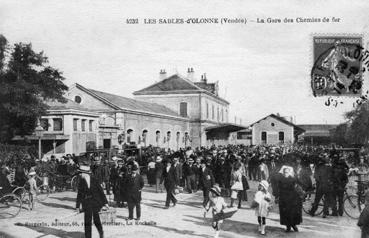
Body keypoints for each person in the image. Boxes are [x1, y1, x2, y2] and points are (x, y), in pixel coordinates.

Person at [76, 162, 109, 238]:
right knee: (87, 222)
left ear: (85, 173)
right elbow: (79, 195)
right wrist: (77, 206)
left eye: (80, 173)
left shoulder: (94, 180)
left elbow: (101, 192)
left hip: (95, 202)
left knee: (96, 220)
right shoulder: (81, 182)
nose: (79, 175)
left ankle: (101, 232)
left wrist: (105, 203)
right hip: (86, 203)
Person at [275, 166, 302, 232]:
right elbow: (278, 189)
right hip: (283, 198)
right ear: (283, 172)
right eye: (284, 172)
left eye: (287, 172)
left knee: (292, 213)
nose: (285, 173)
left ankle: (293, 225)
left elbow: (299, 185)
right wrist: (277, 197)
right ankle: (288, 226)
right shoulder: (280, 179)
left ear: (289, 172)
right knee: (285, 213)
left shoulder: (293, 179)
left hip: (292, 198)